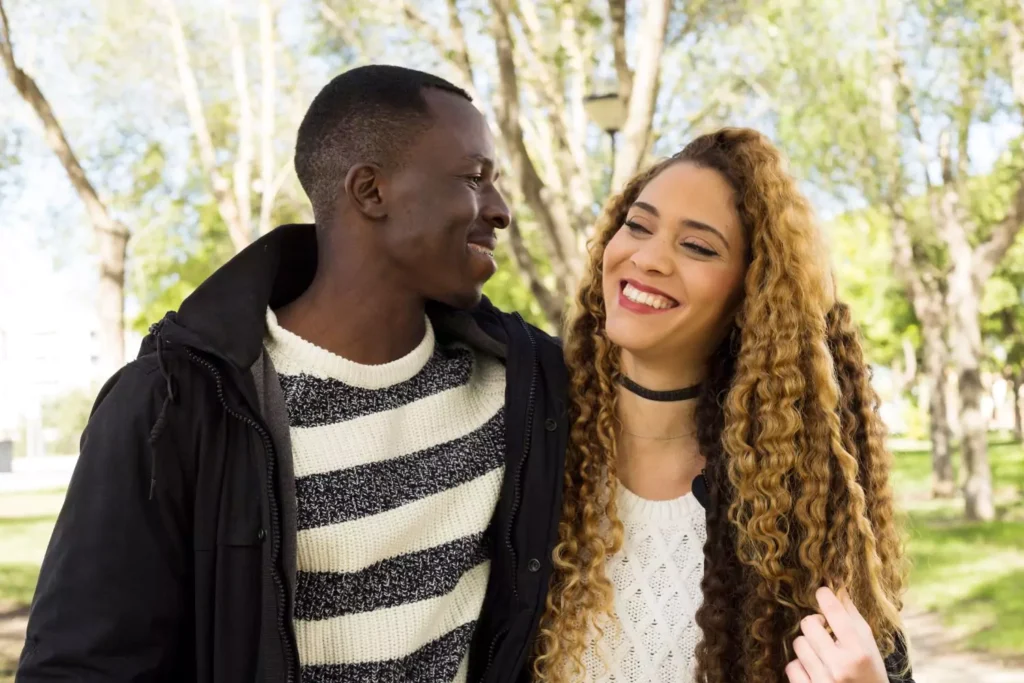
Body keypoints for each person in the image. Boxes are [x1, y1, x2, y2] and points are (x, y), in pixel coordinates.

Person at [17, 65, 568, 683]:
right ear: (370, 191)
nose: (498, 211)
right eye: (473, 178)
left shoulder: (523, 387)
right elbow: (82, 666)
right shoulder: (175, 405)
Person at [531, 128, 912, 683]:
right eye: (637, 225)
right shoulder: (527, 448)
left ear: (748, 298)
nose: (650, 257)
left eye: (698, 246)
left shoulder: (793, 509)